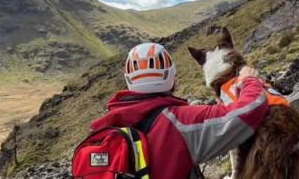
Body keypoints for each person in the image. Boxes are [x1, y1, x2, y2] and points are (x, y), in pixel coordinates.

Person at [91, 43, 269, 179]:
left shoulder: (106, 127)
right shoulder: (181, 121)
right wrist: (249, 80)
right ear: (172, 78)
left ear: (129, 80)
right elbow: (250, 110)